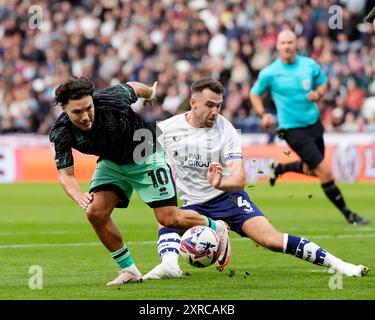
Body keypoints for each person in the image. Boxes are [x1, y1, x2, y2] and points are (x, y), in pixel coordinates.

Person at [142, 77, 369, 280]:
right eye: (209, 105)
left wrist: (220, 182)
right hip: (193, 205)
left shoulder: (226, 131)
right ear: (193, 103)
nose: (215, 111)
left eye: (219, 106)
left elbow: (239, 178)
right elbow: (136, 151)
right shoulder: (167, 128)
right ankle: (170, 265)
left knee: (271, 241)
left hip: (227, 199)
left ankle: (341, 265)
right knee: (166, 214)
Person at [49, 76, 230, 285]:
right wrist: (79, 195)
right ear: (64, 109)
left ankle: (216, 227)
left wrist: (150, 94)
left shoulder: (111, 99)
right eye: (76, 112)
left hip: (145, 152)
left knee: (169, 219)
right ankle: (130, 270)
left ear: (93, 100)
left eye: (88, 108)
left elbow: (134, 88)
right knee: (95, 212)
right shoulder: (60, 132)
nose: (85, 116)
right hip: (112, 163)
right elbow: (66, 175)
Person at [249, 30, 369, 225]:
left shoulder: (309, 65)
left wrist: (318, 94)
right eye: (283, 43)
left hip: (314, 124)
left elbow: (323, 83)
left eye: (290, 42)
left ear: (296, 44)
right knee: (325, 172)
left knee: (312, 169)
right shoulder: (270, 72)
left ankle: (280, 168)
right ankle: (350, 215)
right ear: (278, 46)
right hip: (290, 128)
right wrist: (263, 114)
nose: (287, 46)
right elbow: (254, 94)